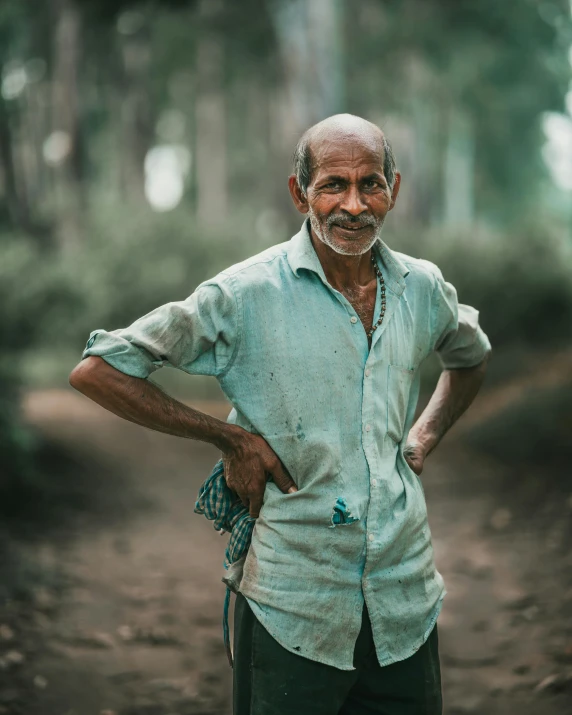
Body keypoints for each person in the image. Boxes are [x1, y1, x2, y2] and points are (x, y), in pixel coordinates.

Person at [70, 114, 491, 715]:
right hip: (293, 601)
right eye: (332, 185)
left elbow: (470, 358)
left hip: (405, 599)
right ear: (299, 194)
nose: (353, 204)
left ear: (395, 190)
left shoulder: (420, 289)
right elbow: (99, 370)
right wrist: (229, 440)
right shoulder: (246, 294)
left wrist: (423, 435)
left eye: (371, 183)